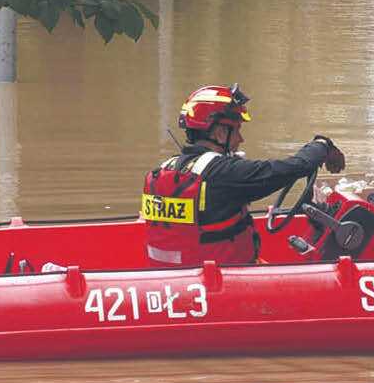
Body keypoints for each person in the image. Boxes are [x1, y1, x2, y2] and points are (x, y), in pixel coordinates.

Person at [142, 84, 346, 267]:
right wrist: (322, 145)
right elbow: (294, 167)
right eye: (237, 129)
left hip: (172, 281)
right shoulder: (222, 174)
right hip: (223, 282)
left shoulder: (160, 173)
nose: (241, 139)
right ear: (220, 133)